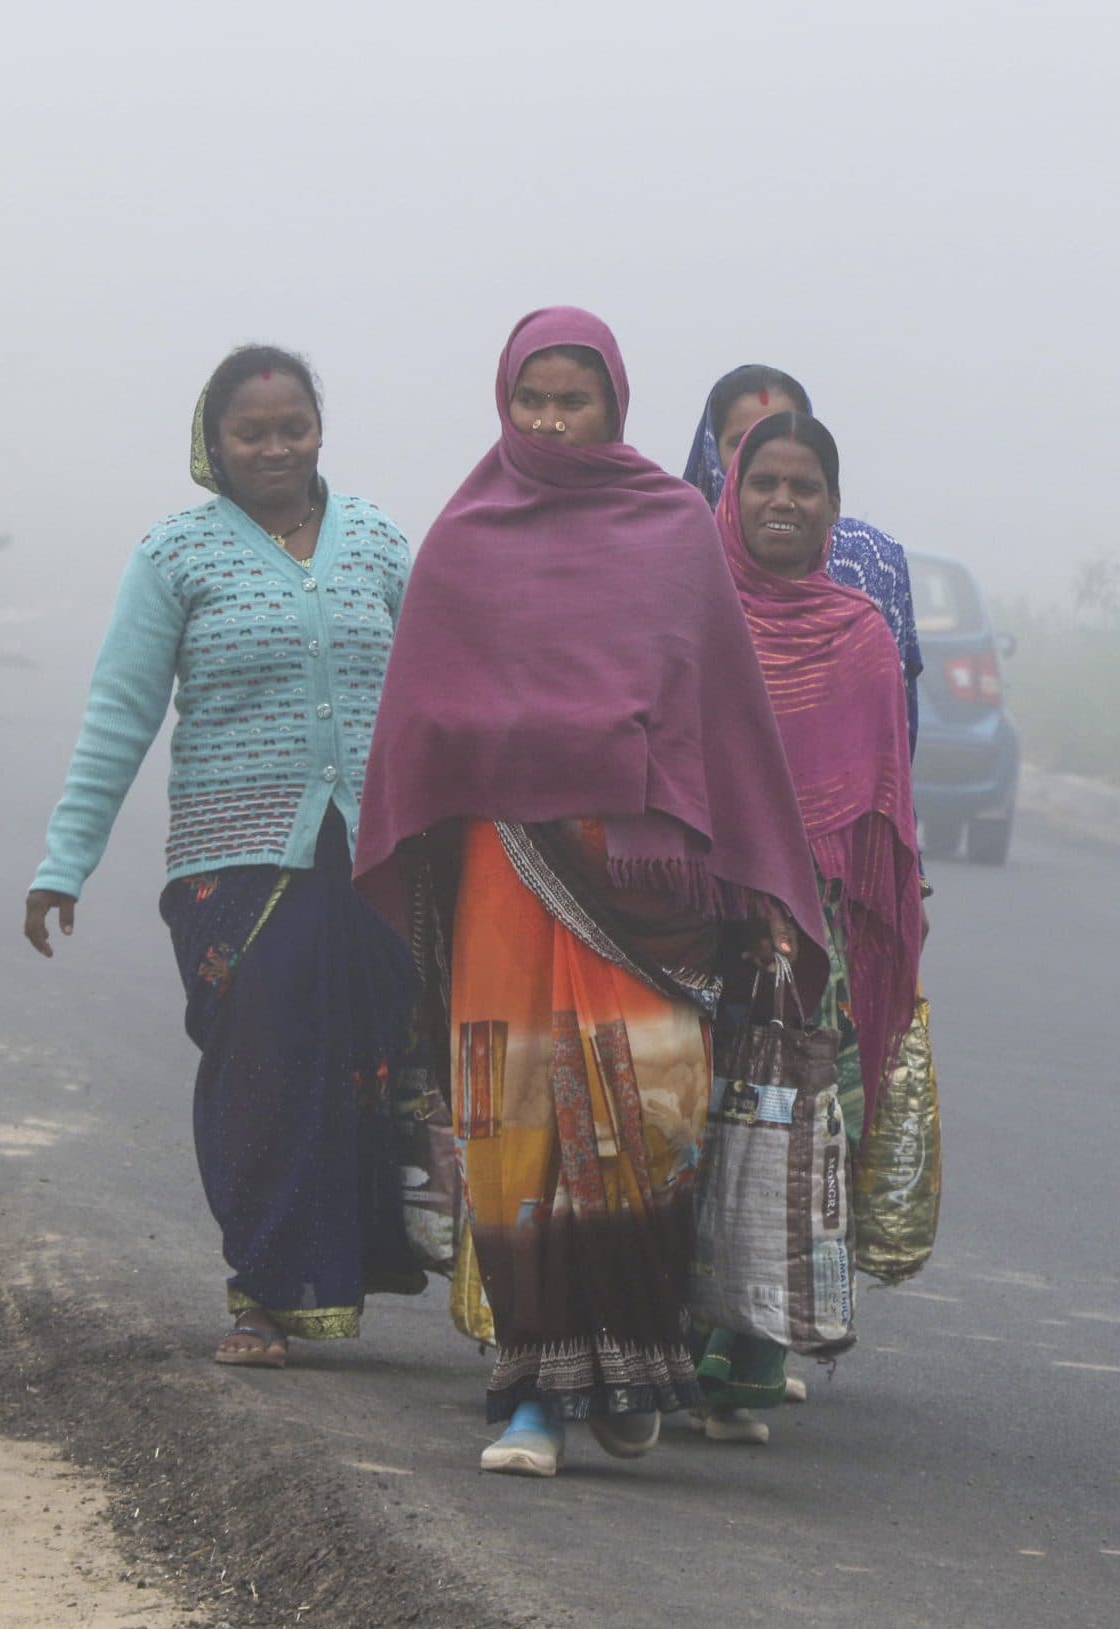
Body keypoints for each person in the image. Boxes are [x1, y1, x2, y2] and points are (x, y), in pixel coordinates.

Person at [355, 306, 827, 1478]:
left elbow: (723, 719)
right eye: (532, 400)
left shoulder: (669, 529)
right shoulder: (463, 538)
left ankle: (629, 1365)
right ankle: (531, 1393)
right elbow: (420, 718)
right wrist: (518, 741)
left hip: (644, 891)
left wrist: (764, 880)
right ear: (503, 402)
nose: (551, 422)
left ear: (615, 405)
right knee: (514, 1123)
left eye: (575, 401)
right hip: (505, 877)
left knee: (644, 1117)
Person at [25, 346, 419, 1369]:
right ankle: (263, 1288)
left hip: (373, 857)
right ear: (214, 441)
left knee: (374, 1063)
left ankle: (346, 1272)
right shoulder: (176, 556)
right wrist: (65, 861)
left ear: (319, 430)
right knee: (263, 1066)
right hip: (234, 862)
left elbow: (436, 697)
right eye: (251, 432)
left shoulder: (380, 541)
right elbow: (120, 712)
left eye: (293, 427)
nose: (275, 448)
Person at [691, 410, 926, 1443]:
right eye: (764, 483)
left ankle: (753, 1358)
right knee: (688, 1121)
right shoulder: (691, 617)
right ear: (730, 494)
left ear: (833, 506)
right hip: (697, 910)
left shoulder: (860, 635)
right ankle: (679, 1335)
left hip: (810, 932)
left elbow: (881, 805)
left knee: (791, 1133)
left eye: (805, 486)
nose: (783, 501)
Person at [682, 365, 923, 745]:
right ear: (712, 449)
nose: (769, 452)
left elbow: (890, 725)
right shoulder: (677, 561)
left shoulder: (870, 559)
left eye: (781, 433)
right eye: (742, 442)